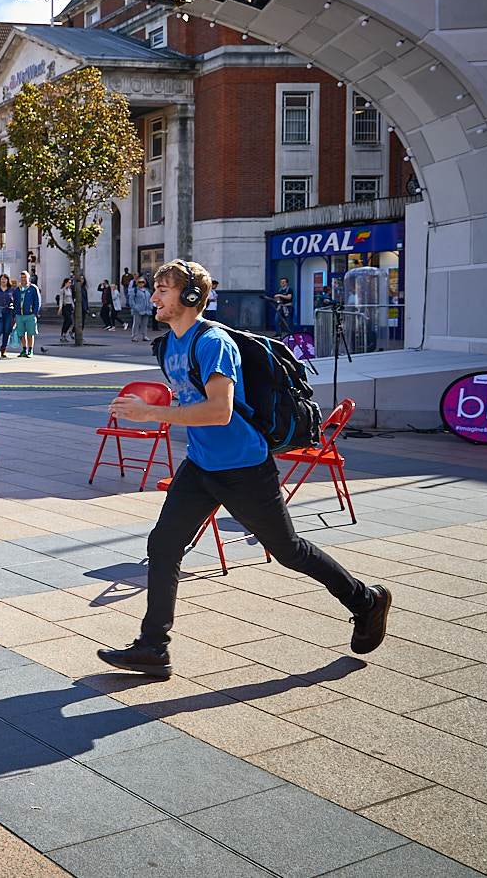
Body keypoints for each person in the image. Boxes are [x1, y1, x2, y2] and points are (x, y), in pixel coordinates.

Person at [98, 260, 390, 678]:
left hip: (243, 468)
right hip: (200, 465)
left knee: (288, 551)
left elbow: (220, 410)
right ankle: (153, 647)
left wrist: (152, 413)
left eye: (163, 289)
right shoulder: (169, 345)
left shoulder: (213, 342)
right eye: (155, 288)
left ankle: (365, 601)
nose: (154, 296)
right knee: (163, 545)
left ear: (192, 297)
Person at [16, 271, 41, 357]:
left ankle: (30, 349)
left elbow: (37, 301)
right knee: (21, 333)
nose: (23, 279)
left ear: (29, 278)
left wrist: (35, 312)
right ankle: (24, 349)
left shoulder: (33, 288)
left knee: (31, 333)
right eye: (22, 277)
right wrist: (15, 313)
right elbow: (15, 301)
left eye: (25, 277)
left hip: (30, 314)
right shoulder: (17, 289)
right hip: (20, 315)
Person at [129, 276, 154, 343]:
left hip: (147, 309)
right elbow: (131, 300)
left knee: (145, 324)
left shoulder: (147, 290)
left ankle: (144, 336)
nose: (141, 283)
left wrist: (151, 305)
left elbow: (150, 298)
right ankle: (134, 336)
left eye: (142, 282)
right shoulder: (134, 290)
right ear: (137, 283)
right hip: (138, 309)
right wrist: (134, 307)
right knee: (136, 323)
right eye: (139, 282)